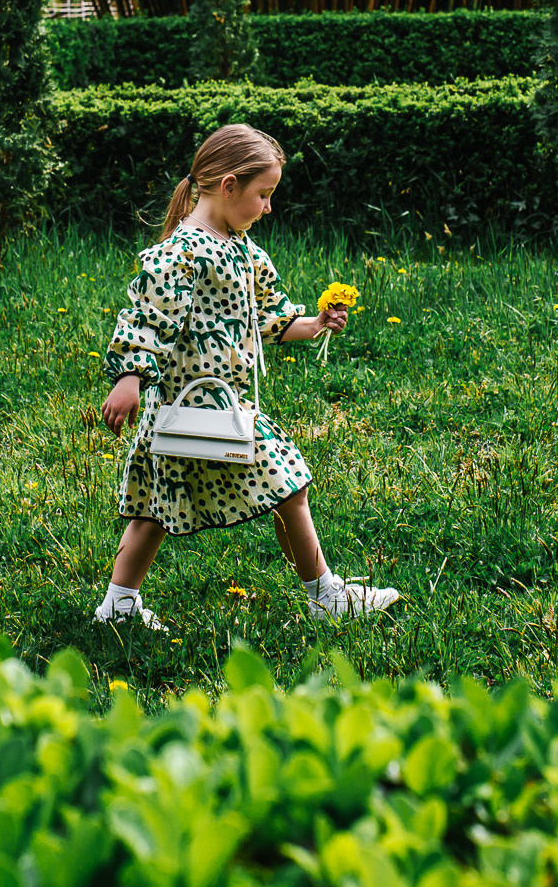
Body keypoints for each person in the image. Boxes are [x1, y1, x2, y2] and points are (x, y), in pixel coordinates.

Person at [96, 123, 399, 629]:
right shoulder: (183, 251)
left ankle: (118, 607)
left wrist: (316, 323)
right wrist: (130, 376)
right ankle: (326, 595)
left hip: (216, 403)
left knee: (153, 510)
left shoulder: (242, 250)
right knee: (289, 488)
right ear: (229, 185)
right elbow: (152, 316)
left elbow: (270, 319)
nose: (268, 207)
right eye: (264, 194)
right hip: (192, 403)